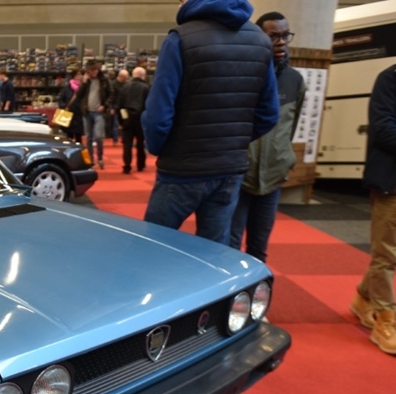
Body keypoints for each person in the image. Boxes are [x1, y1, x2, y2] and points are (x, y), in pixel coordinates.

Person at [142, 0, 279, 245]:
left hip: (182, 166)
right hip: (229, 167)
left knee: (152, 247)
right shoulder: (260, 40)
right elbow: (269, 113)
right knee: (215, 252)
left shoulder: (180, 38)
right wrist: (233, 140)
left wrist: (160, 147)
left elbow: (158, 114)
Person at [350, 15, 396, 356]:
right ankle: (385, 321)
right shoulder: (391, 78)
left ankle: (363, 297)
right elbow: (383, 129)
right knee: (386, 255)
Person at [229, 12, 306, 263]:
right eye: (273, 36)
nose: (281, 42)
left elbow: (290, 127)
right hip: (240, 175)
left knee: (259, 248)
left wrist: (284, 159)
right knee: (229, 246)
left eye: (285, 36)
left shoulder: (294, 80)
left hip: (273, 176)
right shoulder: (241, 75)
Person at [72, 60, 110, 169]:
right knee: (88, 137)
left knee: (99, 136)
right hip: (87, 112)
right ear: (88, 71)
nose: (94, 72)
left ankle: (100, 158)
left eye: (95, 70)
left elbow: (111, 94)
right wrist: (83, 83)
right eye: (91, 70)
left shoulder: (104, 80)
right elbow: (78, 95)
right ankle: (90, 160)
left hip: (99, 112)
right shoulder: (86, 81)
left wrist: (105, 105)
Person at [58, 67, 84, 146]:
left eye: (80, 75)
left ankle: (78, 150)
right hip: (69, 114)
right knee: (69, 136)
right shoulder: (67, 87)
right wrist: (65, 106)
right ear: (73, 76)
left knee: (79, 136)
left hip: (79, 114)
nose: (79, 76)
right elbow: (60, 99)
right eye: (77, 75)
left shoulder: (84, 87)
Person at [109, 69, 129, 146]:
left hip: (124, 107)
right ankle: (115, 140)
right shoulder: (113, 84)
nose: (126, 79)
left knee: (125, 123)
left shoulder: (127, 84)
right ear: (121, 76)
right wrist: (111, 107)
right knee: (115, 124)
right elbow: (111, 97)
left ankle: (125, 139)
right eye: (125, 77)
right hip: (116, 106)